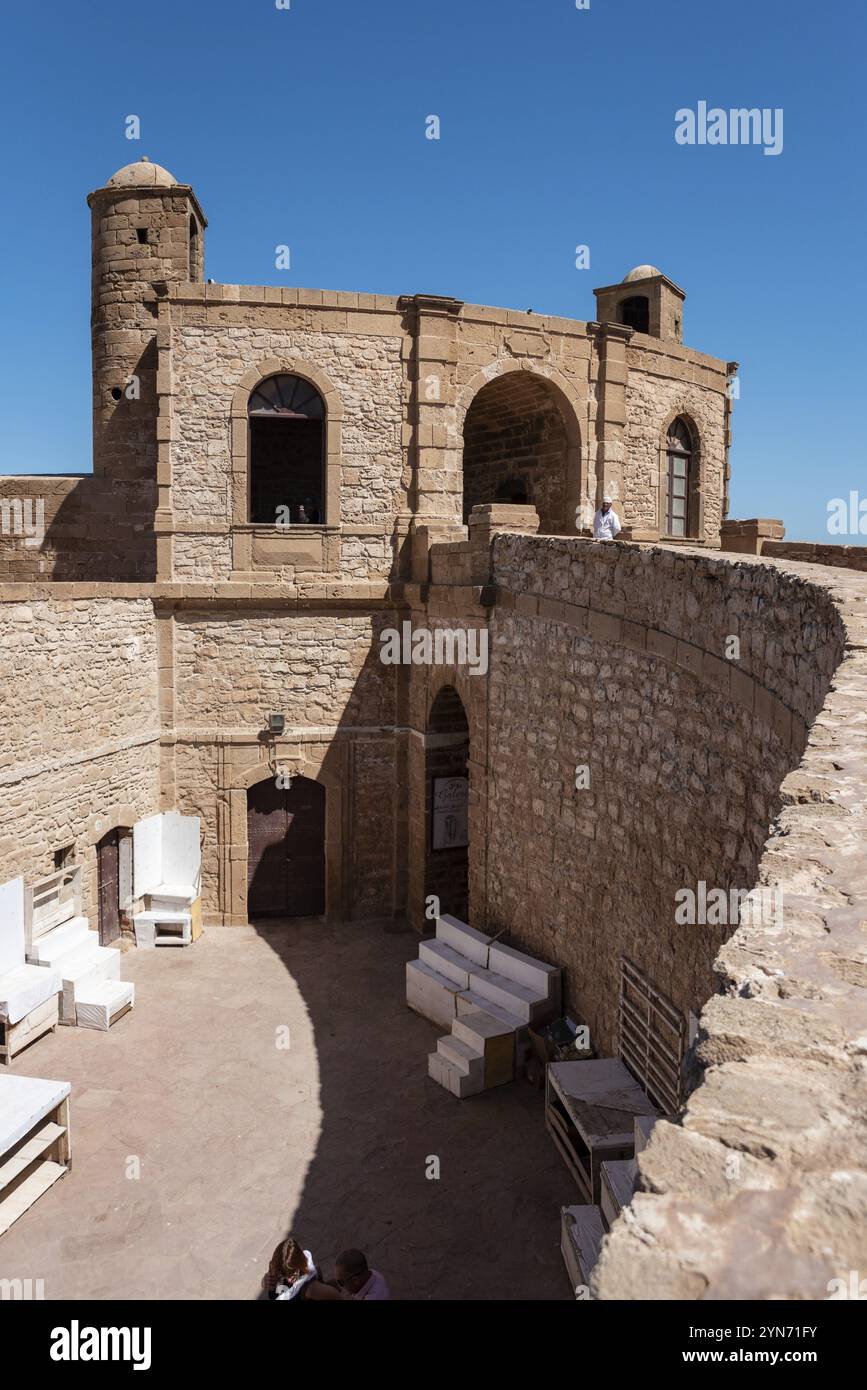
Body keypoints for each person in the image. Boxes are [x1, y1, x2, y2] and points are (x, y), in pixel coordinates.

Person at [263, 1235, 342, 1302]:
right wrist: (265, 1281)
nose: (288, 1280)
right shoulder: (279, 1268)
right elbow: (269, 1286)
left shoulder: (310, 1289)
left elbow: (335, 1295)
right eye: (282, 1275)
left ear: (300, 1265)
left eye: (292, 1275)